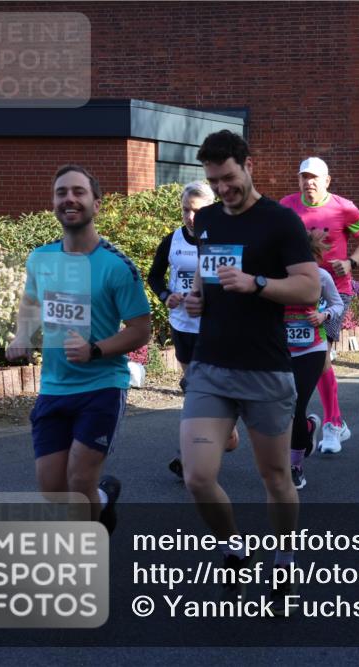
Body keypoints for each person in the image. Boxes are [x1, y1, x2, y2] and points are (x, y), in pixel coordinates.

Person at [181, 130, 320, 603]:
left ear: (249, 165)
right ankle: (236, 549)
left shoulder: (280, 222)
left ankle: (284, 559)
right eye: (214, 181)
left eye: (229, 178)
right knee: (198, 476)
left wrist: (256, 282)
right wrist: (198, 297)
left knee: (275, 477)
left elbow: (308, 290)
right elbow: (207, 271)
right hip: (210, 366)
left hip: (265, 369)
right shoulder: (208, 221)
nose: (222, 189)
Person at [6, 165, 152, 534]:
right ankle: (103, 502)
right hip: (54, 387)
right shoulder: (41, 258)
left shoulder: (118, 266)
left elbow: (140, 331)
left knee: (79, 480)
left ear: (96, 204)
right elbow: (31, 300)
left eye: (78, 192)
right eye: (61, 193)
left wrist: (96, 350)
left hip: (101, 386)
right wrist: (22, 334)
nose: (68, 199)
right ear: (54, 203)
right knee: (53, 490)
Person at [281, 157, 359, 453]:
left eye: (314, 178)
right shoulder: (286, 206)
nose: (308, 182)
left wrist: (350, 262)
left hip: (334, 290)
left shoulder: (344, 207)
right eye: (304, 177)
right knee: (297, 355)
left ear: (327, 181)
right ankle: (302, 420)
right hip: (297, 284)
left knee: (322, 356)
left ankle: (333, 423)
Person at [148, 182, 239, 480]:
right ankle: (220, 434)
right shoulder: (172, 240)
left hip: (214, 327)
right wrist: (166, 296)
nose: (190, 216)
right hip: (182, 325)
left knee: (202, 389)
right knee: (194, 388)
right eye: (186, 209)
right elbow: (154, 277)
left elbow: (233, 284)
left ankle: (190, 454)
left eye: (197, 210)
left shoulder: (222, 240)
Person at [286, 234, 343, 489]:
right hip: (282, 349)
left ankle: (295, 465)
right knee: (284, 408)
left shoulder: (322, 277)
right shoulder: (277, 276)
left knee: (296, 406)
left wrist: (324, 315)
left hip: (312, 349)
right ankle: (308, 428)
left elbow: (337, 304)